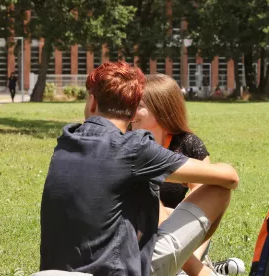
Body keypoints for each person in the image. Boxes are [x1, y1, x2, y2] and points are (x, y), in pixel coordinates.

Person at [39, 62, 239, 276]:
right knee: (218, 189)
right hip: (118, 270)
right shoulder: (135, 149)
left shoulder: (66, 140)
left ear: (93, 102)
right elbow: (229, 178)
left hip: (52, 271)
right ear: (134, 111)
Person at [131, 74, 244, 275]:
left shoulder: (187, 144)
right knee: (148, 197)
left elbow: (205, 201)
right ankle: (202, 270)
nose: (131, 112)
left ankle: (195, 264)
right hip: (139, 234)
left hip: (182, 233)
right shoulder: (127, 143)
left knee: (216, 187)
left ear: (161, 108)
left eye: (138, 105)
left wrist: (192, 253)